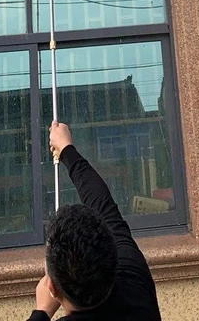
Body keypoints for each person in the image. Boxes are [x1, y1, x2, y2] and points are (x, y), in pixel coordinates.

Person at [28, 121, 161, 321]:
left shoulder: (134, 276)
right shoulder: (135, 284)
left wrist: (42, 311)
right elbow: (104, 207)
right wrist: (67, 150)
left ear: (52, 288)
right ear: (113, 258)